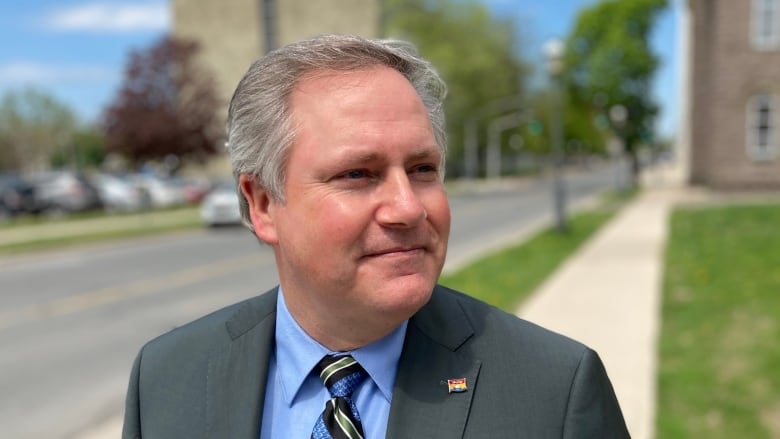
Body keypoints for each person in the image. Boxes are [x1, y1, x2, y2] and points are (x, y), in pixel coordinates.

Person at [122, 34, 629, 439]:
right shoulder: (167, 379)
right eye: (358, 174)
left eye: (423, 168)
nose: (408, 208)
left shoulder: (553, 388)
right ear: (262, 205)